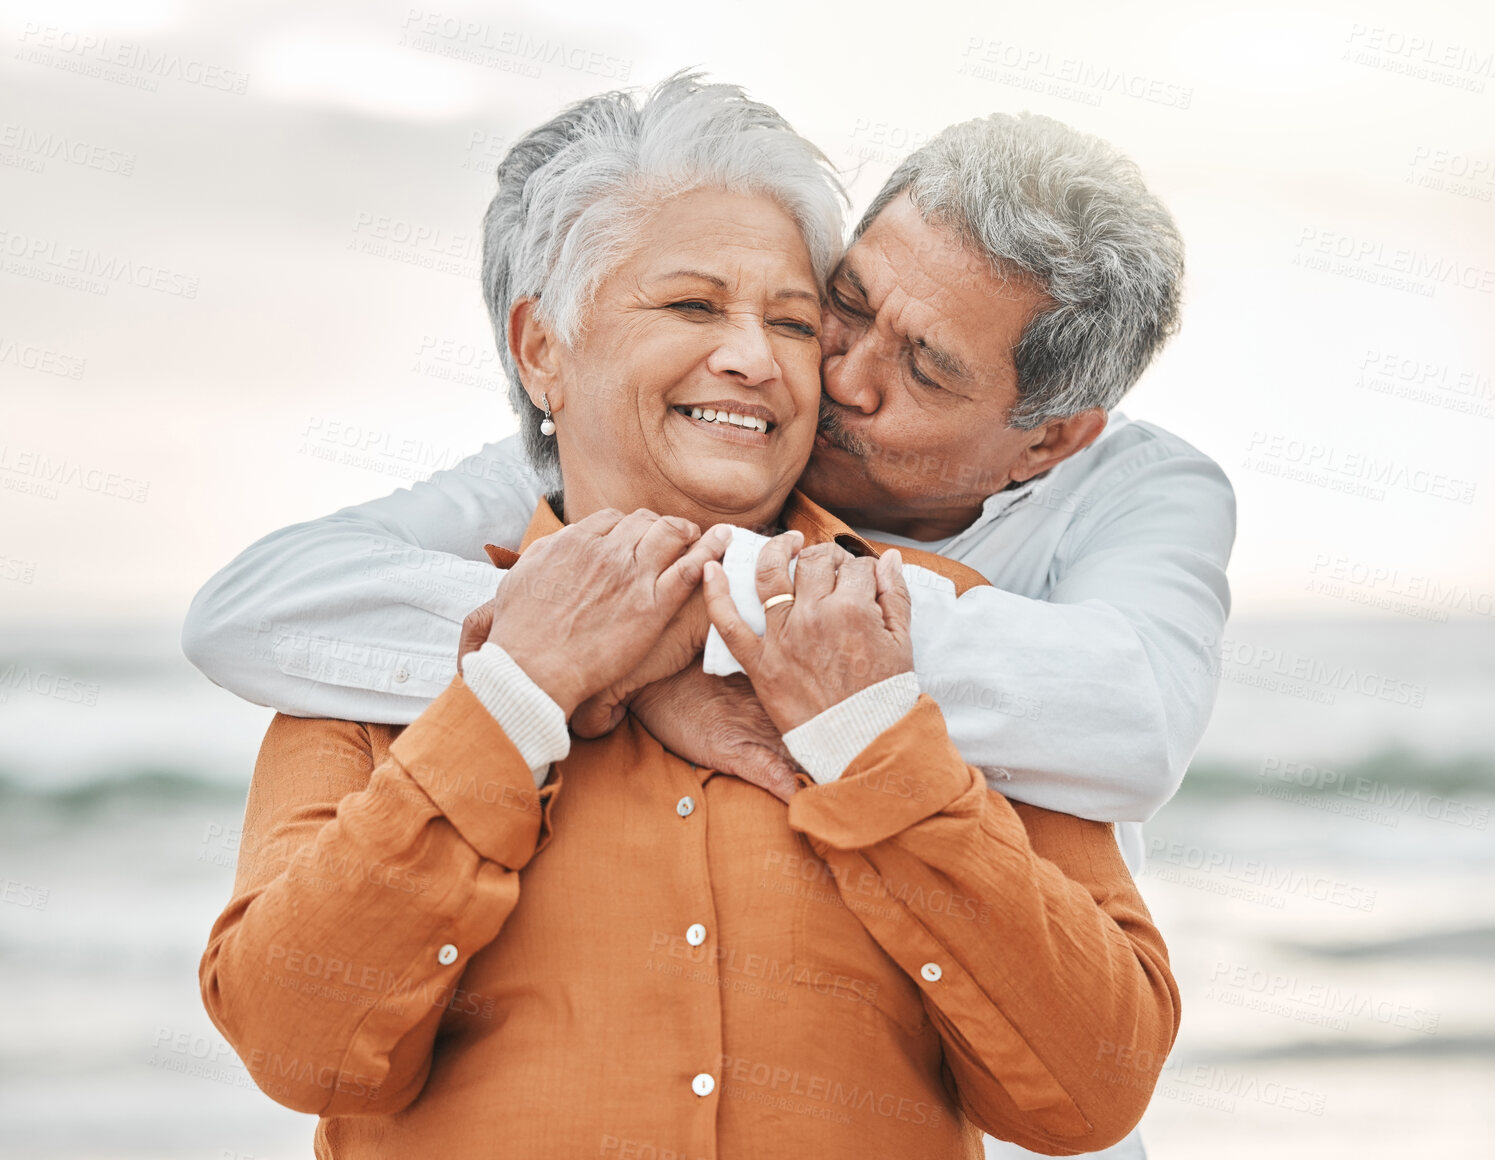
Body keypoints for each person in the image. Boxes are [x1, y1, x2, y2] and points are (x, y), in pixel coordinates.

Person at [198, 75, 1178, 1160]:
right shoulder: (378, 648)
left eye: (794, 320)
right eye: (691, 306)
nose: (755, 357)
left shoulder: (937, 633)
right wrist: (516, 697)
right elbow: (299, 1045)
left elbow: (1091, 1089)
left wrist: (870, 746)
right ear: (541, 349)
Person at [181, 102, 1237, 886]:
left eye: (924, 367)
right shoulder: (647, 449)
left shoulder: (1139, 490)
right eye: (843, 304)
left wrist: (666, 620)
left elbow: (1131, 723)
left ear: (1045, 440)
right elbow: (252, 609)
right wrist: (616, 661)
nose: (839, 374)